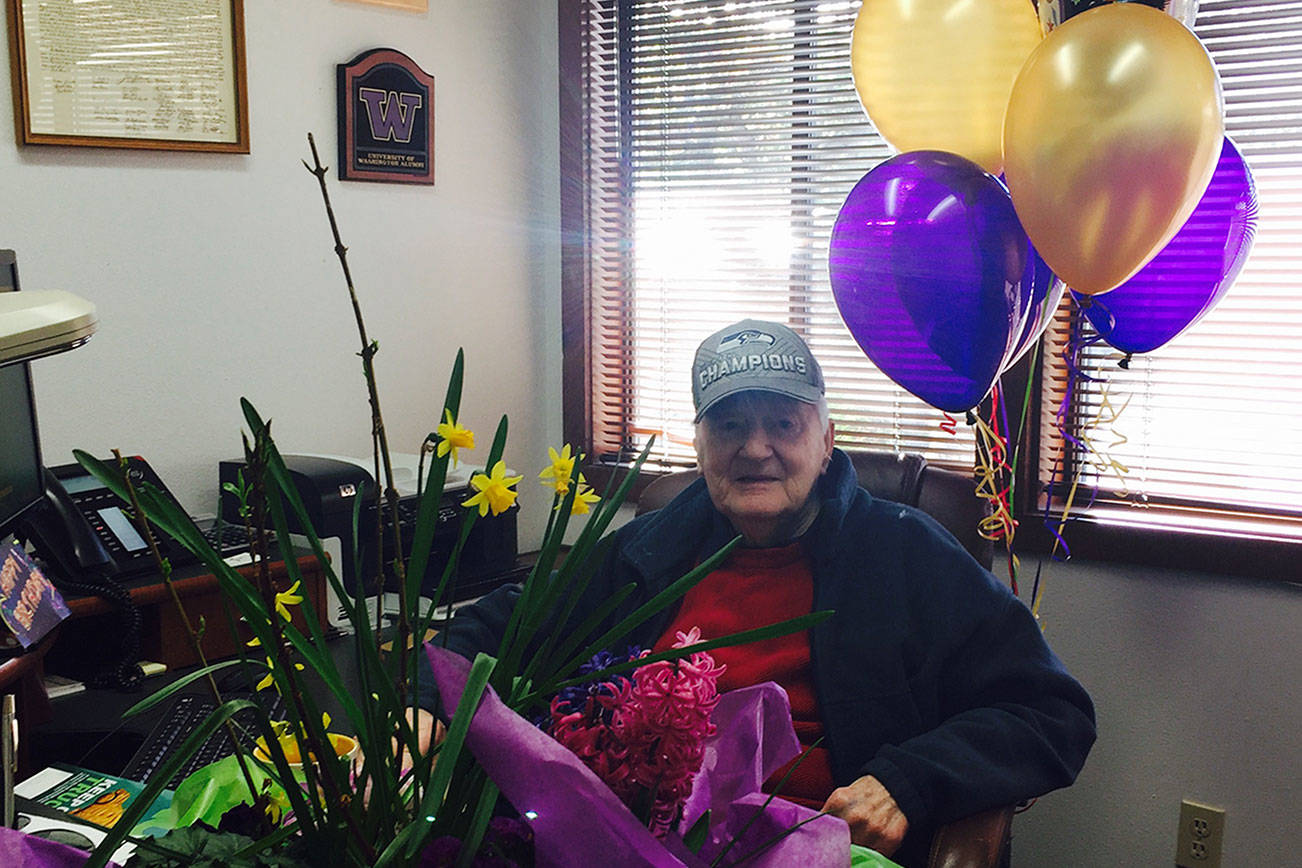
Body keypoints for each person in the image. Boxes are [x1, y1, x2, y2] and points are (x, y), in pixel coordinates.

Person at [419, 319, 1095, 866]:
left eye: (783, 424)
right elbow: (497, 628)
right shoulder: (646, 551)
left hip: (822, 850)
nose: (755, 448)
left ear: (826, 441)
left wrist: (908, 783)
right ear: (700, 445)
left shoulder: (906, 553)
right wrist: (427, 709)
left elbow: (1050, 711)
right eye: (730, 425)